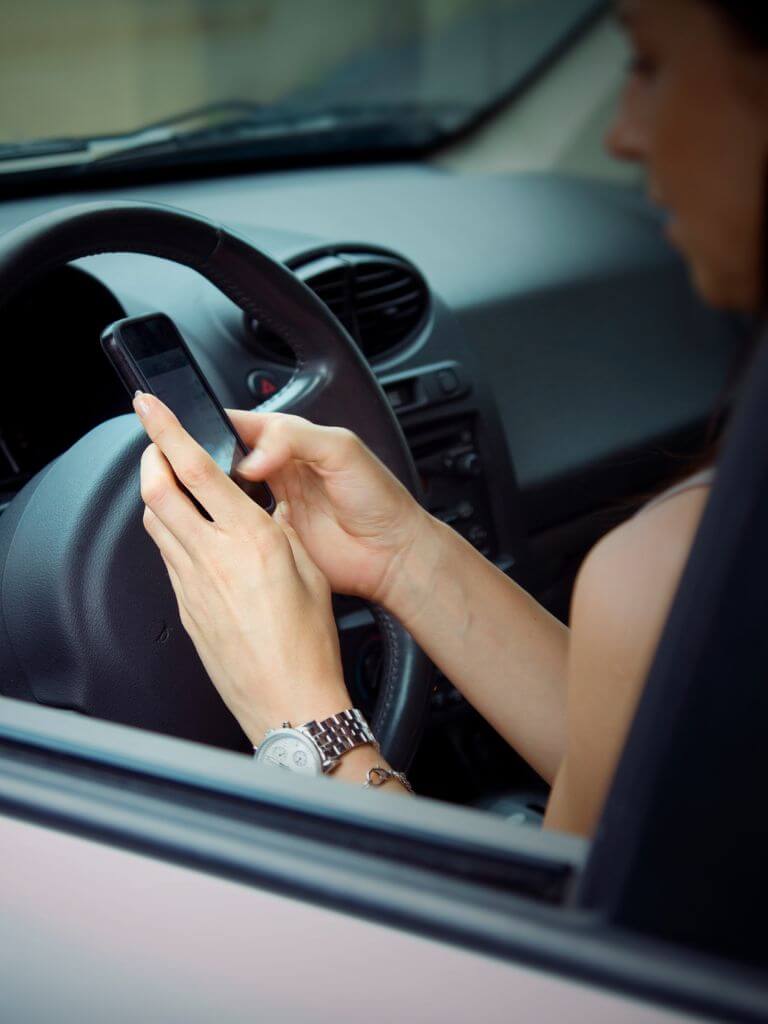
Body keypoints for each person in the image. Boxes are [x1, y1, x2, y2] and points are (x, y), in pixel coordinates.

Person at [132, 0, 768, 836]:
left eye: (649, 64)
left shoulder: (670, 572)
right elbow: (649, 776)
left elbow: (528, 966)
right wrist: (404, 555)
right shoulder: (674, 592)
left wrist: (300, 711)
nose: (622, 134)